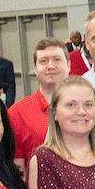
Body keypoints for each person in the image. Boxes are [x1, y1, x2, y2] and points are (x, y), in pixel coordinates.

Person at [9, 38, 71, 170]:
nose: (50, 66)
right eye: (43, 61)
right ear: (35, 68)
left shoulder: (86, 108)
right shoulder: (16, 113)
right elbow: (18, 170)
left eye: (57, 59)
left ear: (69, 65)